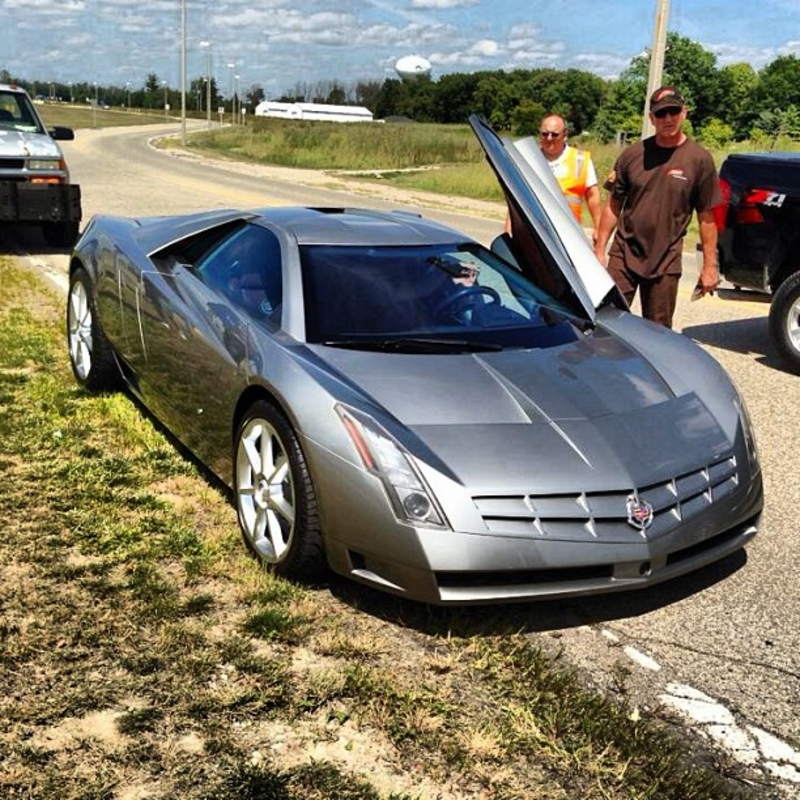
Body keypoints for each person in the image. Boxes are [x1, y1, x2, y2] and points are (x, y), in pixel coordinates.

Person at [593, 86, 722, 329]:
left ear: (684, 112)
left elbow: (706, 217)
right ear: (652, 118)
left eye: (673, 111)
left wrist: (709, 266)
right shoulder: (632, 155)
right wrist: (600, 249)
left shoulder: (699, 160)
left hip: (666, 260)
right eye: (661, 114)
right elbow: (613, 205)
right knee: (604, 323)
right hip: (624, 253)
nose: (668, 119)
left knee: (658, 332)